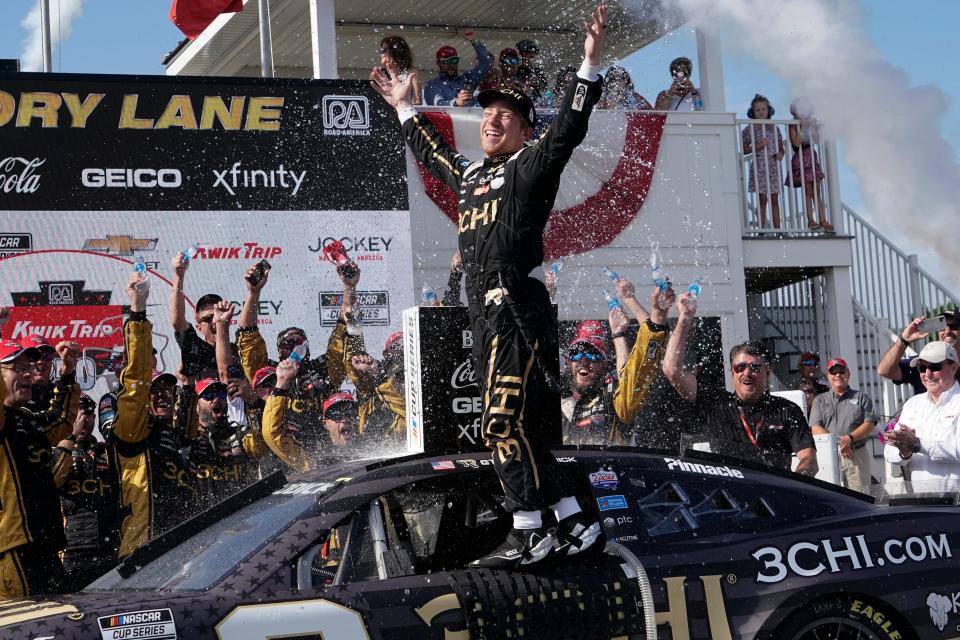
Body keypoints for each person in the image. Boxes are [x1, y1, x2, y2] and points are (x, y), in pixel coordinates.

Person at [371, 4, 610, 568]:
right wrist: (406, 108)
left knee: (500, 422)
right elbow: (433, 157)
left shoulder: (531, 164)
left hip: (516, 306)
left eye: (506, 115)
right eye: (488, 114)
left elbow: (569, 130)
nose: (494, 120)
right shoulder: (473, 175)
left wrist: (589, 66)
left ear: (525, 130)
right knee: (514, 427)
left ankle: (532, 528)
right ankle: (574, 518)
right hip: (484, 314)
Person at [663, 292, 818, 474]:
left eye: (755, 367)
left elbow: (809, 459)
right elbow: (671, 369)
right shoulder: (716, 404)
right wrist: (685, 318)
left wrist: (796, 482)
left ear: (767, 371)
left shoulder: (786, 410)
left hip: (773, 492)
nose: (747, 373)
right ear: (732, 372)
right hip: (731, 494)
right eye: (740, 367)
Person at [111, 273, 196, 558]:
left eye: (167, 391)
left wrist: (187, 387)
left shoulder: (174, 434)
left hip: (182, 550)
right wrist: (138, 311)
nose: (163, 395)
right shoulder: (132, 433)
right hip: (143, 551)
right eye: (155, 391)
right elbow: (135, 387)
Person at [236, 261, 349, 454]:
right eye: (288, 345)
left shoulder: (323, 369)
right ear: (279, 352)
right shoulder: (267, 375)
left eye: (299, 342)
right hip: (285, 451)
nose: (295, 347)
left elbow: (342, 332)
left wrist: (349, 287)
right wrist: (253, 293)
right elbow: (248, 337)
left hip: (327, 451)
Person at [0, 339, 73, 596]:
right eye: (17, 368)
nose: (29, 373)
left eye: (28, 367)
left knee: (61, 627)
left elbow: (61, 422)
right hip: (13, 547)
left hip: (45, 544)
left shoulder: (27, 420)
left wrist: (67, 374)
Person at [561, 283, 671, 446]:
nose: (583, 361)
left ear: (604, 365)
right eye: (576, 353)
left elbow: (636, 369)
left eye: (593, 354)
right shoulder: (559, 401)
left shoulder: (613, 399)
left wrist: (658, 315)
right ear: (568, 361)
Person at [59, 394, 120, 591]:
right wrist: (71, 440)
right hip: (71, 549)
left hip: (107, 547)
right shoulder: (57, 450)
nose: (84, 419)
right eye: (78, 411)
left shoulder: (106, 452)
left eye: (89, 413)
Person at [884, 341, 960, 486]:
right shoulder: (913, 404)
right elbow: (889, 453)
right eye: (922, 368)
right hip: (921, 501)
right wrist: (904, 451)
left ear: (954, 367)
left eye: (935, 367)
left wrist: (917, 444)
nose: (928, 374)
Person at [262, 359, 359, 471]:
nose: (345, 419)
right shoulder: (312, 459)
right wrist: (282, 383)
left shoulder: (370, 439)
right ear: (325, 424)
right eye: (336, 415)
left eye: (350, 412)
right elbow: (272, 434)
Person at [808, 357, 877, 494]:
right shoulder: (819, 400)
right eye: (834, 372)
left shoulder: (861, 398)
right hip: (829, 454)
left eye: (841, 371)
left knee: (860, 495)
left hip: (856, 453)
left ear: (848, 374)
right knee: (831, 495)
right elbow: (815, 427)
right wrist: (839, 444)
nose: (838, 375)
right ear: (828, 376)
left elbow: (869, 424)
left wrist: (850, 438)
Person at [169, 251, 238, 379]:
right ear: (199, 327)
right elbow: (177, 321)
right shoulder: (197, 349)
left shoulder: (240, 352)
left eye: (218, 315)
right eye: (208, 318)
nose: (214, 320)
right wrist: (179, 276)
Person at [345, 330, 406, 447]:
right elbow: (353, 363)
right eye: (397, 346)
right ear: (387, 354)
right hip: (380, 453)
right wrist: (353, 329)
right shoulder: (374, 381)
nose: (402, 352)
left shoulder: (423, 383)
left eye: (405, 347)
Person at [877, 310, 960, 395]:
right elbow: (884, 371)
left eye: (954, 326)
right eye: (942, 327)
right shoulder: (923, 362)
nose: (947, 331)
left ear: (954, 368)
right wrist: (904, 339)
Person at [20, 333, 82, 443]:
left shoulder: (62, 391)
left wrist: (68, 370)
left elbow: (65, 423)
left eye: (46, 356)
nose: (41, 361)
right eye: (34, 357)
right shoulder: (14, 395)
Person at [785, 100, 831, 231]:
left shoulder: (811, 123)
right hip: (800, 157)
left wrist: (814, 127)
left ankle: (823, 219)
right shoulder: (793, 126)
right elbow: (796, 143)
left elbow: (817, 140)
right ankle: (810, 220)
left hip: (811, 156)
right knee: (808, 190)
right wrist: (803, 128)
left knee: (817, 190)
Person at [741, 95, 784, 229]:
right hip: (760, 166)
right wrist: (758, 145)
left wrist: (780, 154)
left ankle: (778, 229)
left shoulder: (774, 128)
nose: (761, 112)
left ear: (768, 110)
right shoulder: (749, 129)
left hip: (773, 166)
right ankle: (761, 228)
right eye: (758, 109)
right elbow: (744, 149)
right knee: (762, 200)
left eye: (763, 109)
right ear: (753, 112)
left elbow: (781, 146)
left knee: (775, 199)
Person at [423, 30, 492, 107]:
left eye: (454, 60)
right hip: (449, 119)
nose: (451, 64)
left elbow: (486, 63)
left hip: (470, 118)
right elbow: (438, 104)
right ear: (438, 63)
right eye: (446, 61)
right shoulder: (433, 84)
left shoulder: (466, 79)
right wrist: (456, 102)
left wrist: (474, 41)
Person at [379, 36, 421, 104]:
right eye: (381, 50)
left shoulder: (411, 72)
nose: (381, 53)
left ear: (394, 51)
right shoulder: (378, 72)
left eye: (383, 50)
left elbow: (417, 101)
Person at [515, 39, 547, 103]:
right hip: (520, 102)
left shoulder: (538, 71)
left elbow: (545, 89)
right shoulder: (515, 70)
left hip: (536, 103)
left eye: (535, 52)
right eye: (529, 51)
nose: (532, 54)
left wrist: (538, 82)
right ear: (522, 53)